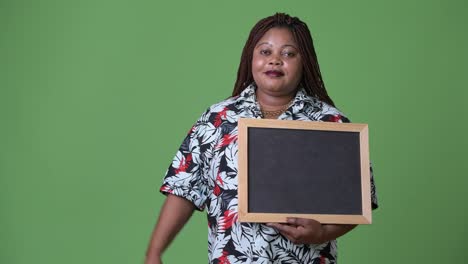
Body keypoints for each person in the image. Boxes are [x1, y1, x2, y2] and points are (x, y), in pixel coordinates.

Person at [145, 13, 378, 264]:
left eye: (288, 53)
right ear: (251, 57)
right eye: (265, 52)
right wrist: (154, 252)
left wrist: (323, 232)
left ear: (305, 62)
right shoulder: (217, 120)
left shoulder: (330, 123)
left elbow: (355, 202)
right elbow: (184, 189)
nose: (275, 60)